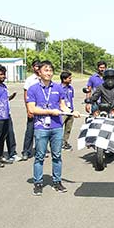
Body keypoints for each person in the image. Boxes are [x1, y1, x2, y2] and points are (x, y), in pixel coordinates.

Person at [27, 60, 79, 195]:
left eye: (50, 70)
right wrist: (50, 112)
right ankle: (38, 183)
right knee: (40, 156)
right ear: (39, 72)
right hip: (41, 128)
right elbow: (32, 109)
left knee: (57, 155)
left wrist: (72, 111)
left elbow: (62, 105)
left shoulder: (58, 88)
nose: (48, 73)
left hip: (56, 127)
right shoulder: (33, 89)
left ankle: (57, 181)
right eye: (46, 70)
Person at [0, 65, 17, 167]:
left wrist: (10, 97)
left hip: (5, 115)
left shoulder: (4, 86)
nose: (3, 76)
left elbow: (3, 99)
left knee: (2, 138)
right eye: (1, 74)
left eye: (4, 74)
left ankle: (0, 156)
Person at [20, 60, 42, 161]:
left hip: (42, 110)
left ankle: (40, 151)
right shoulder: (30, 79)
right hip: (33, 109)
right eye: (36, 66)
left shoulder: (44, 78)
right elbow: (26, 95)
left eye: (39, 66)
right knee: (30, 131)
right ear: (33, 67)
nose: (37, 68)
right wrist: (28, 109)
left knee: (42, 131)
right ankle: (26, 151)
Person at [60, 71, 76, 150]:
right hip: (62, 112)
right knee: (59, 128)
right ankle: (57, 143)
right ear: (64, 79)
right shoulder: (58, 88)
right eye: (69, 78)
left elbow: (71, 99)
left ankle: (65, 143)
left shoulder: (71, 88)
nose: (71, 79)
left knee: (68, 129)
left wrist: (72, 111)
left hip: (70, 111)